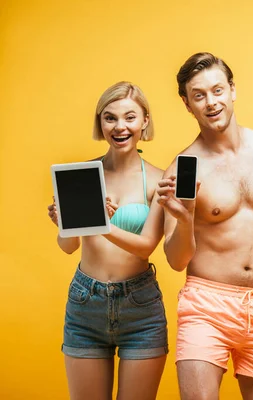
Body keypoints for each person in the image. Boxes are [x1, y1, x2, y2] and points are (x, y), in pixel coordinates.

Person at [155, 52, 253, 400]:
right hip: (206, 306)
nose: (211, 102)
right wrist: (185, 214)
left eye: (217, 90)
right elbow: (176, 261)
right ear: (187, 104)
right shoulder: (180, 169)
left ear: (232, 90)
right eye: (199, 95)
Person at [47, 82, 168, 400]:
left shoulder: (158, 179)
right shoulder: (82, 174)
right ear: (101, 123)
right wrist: (65, 224)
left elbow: (147, 245)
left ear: (144, 120)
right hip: (85, 302)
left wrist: (98, 222)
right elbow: (68, 246)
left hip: (140, 307)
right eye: (110, 118)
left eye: (130, 117)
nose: (120, 126)